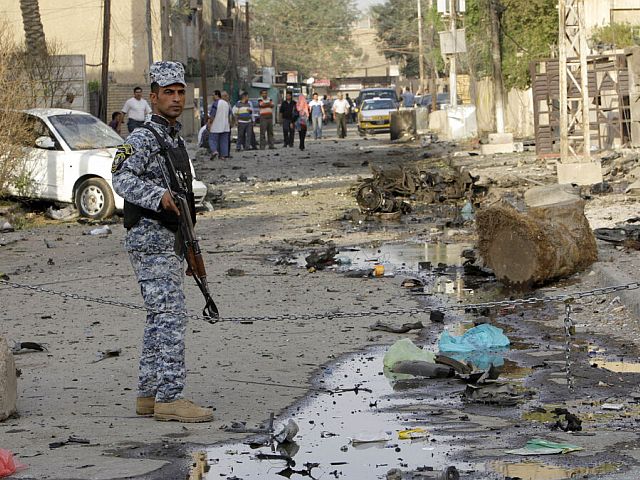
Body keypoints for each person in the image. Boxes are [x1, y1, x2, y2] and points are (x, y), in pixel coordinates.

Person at [111, 60, 214, 423]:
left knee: (159, 317)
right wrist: (157, 196)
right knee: (170, 317)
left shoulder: (173, 138)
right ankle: (170, 398)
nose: (175, 98)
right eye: (168, 92)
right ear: (152, 98)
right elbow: (120, 178)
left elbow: (183, 196)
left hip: (170, 238)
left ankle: (148, 394)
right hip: (149, 237)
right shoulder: (142, 137)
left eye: (180, 92)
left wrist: (190, 247)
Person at [208, 90, 231, 159]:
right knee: (223, 141)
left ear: (216, 95)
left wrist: (209, 123)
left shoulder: (215, 103)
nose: (212, 97)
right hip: (225, 126)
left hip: (216, 125)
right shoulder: (226, 104)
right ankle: (223, 156)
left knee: (212, 139)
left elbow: (212, 115)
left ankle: (214, 151)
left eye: (213, 95)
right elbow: (230, 114)